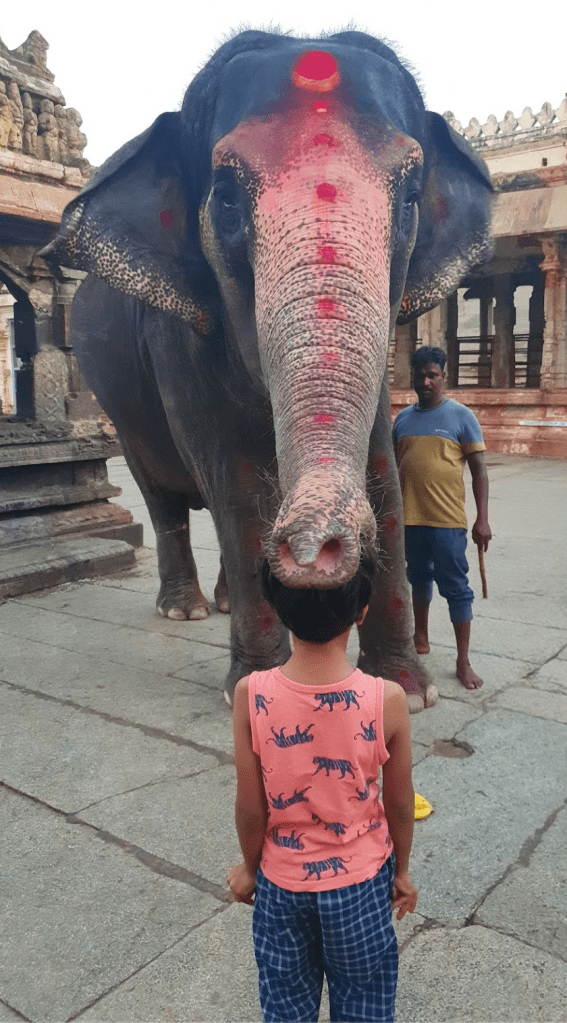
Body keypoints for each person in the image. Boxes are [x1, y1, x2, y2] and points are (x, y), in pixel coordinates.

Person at [227, 553, 417, 1023]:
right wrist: (402, 872)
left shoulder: (250, 694)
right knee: (364, 1005)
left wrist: (249, 869)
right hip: (360, 886)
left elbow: (251, 807)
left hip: (281, 887)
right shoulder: (386, 699)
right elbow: (399, 803)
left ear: (274, 606)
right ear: (363, 610)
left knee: (286, 1009)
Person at [392, 345, 492, 690]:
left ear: (444, 376)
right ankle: (421, 635)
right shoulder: (402, 420)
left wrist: (482, 519)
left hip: (448, 521)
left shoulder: (462, 417)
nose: (426, 381)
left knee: (456, 589)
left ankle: (463, 662)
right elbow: (392, 470)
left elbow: (479, 471)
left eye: (432, 375)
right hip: (410, 521)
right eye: (420, 376)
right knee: (418, 578)